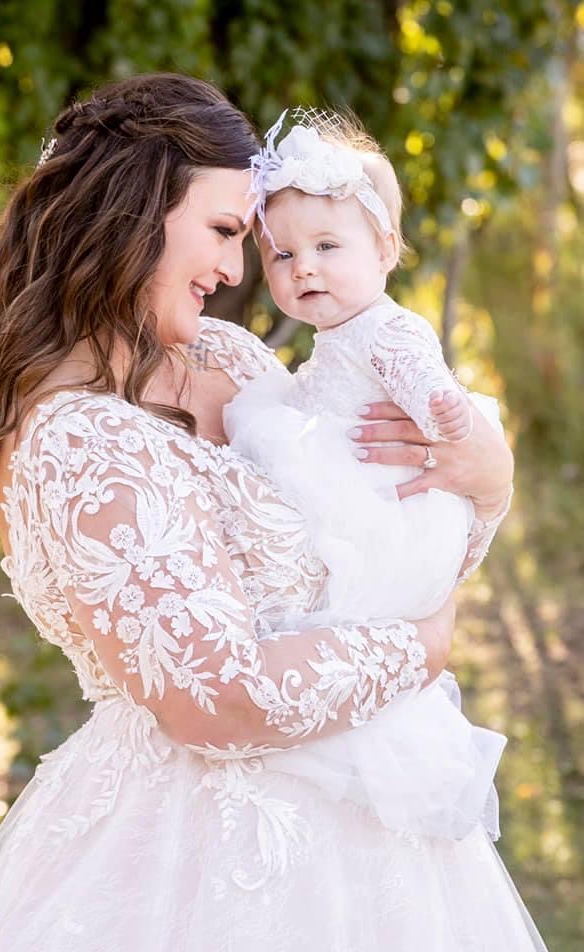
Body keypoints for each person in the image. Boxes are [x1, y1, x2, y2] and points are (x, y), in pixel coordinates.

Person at [0, 74, 550, 952]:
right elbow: (218, 698)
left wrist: (485, 484)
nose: (235, 269)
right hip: (196, 858)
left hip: (374, 823)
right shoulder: (74, 440)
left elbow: (376, 548)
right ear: (129, 214)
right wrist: (427, 647)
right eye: (222, 231)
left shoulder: (226, 355)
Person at [224, 109, 509, 840]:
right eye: (282, 256)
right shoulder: (327, 343)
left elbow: (422, 376)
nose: (303, 268)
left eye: (325, 246)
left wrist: (441, 406)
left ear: (385, 249)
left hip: (381, 500)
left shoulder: (388, 326)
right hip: (346, 482)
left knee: (348, 599)